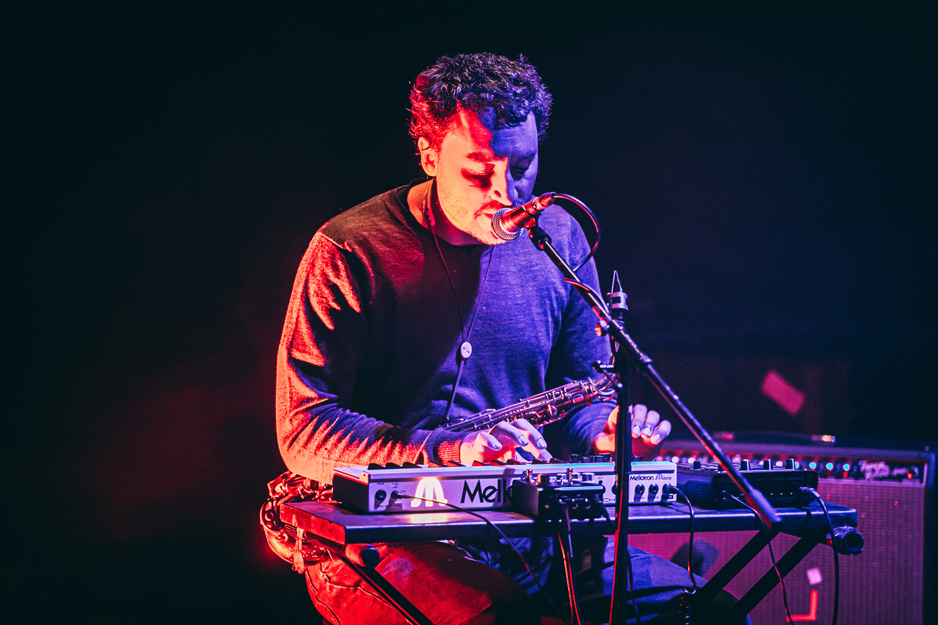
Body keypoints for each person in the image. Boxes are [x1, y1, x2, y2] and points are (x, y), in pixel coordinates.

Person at [274, 52, 742, 625]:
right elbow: (303, 429)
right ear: (428, 156)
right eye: (479, 172)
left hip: (527, 530)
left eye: (522, 166)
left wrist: (604, 436)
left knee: (712, 614)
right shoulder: (350, 250)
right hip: (374, 541)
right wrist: (449, 452)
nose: (507, 192)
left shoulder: (559, 238)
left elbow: (583, 395)